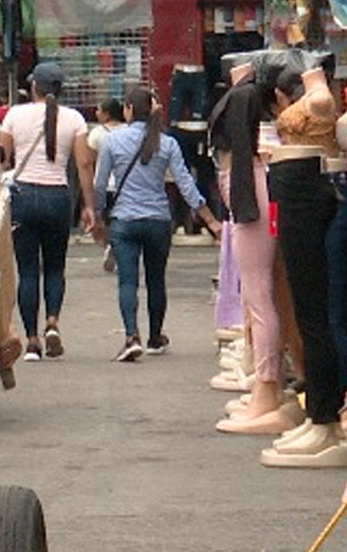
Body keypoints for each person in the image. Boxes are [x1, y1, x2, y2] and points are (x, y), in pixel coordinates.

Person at [258, 66, 347, 468]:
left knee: (313, 310)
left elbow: (321, 107)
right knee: (305, 307)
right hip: (296, 187)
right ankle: (319, 411)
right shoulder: (317, 93)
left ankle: (325, 415)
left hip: (306, 192)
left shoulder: (321, 97)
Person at [93, 86, 220, 362]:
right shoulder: (168, 143)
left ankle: (131, 336)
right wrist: (209, 219)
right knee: (155, 280)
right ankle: (154, 337)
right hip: (158, 220)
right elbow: (186, 183)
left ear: (127, 109)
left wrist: (98, 214)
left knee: (127, 280)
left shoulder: (112, 142)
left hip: (125, 220)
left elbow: (101, 184)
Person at [208, 61, 288, 435]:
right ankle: (265, 382)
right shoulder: (243, 97)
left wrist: (243, 203)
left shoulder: (242, 98)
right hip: (244, 188)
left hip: (247, 189)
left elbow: (241, 152)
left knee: (259, 295)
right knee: (256, 294)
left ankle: (268, 384)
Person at [0, 62, 95, 360]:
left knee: (28, 271)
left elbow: (3, 160)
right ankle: (52, 322)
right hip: (58, 198)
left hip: (23, 196)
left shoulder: (15, 115)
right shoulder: (75, 119)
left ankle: (31, 341)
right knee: (55, 267)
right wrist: (89, 205)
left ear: (34, 88)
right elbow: (83, 164)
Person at [86, 98, 127, 273]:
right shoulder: (128, 130)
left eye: (99, 110)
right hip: (124, 184)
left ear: (107, 114)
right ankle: (117, 248)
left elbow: (90, 160)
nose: (96, 113)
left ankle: (109, 246)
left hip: (103, 184)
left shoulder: (96, 133)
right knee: (121, 220)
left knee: (102, 220)